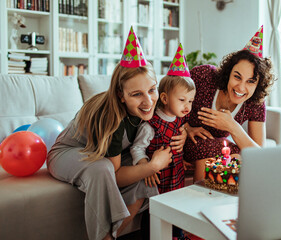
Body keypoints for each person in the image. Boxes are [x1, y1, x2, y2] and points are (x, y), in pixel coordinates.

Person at [46, 27, 186, 240]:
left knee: (144, 179)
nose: (148, 101)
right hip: (68, 152)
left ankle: (112, 235)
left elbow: (176, 113)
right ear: (121, 95)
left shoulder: (150, 106)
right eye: (136, 94)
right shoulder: (110, 117)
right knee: (103, 169)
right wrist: (153, 165)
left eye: (152, 90)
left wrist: (187, 130)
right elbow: (114, 176)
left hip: (103, 154)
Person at [183, 26, 275, 182]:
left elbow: (259, 154)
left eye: (250, 81)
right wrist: (186, 127)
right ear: (228, 72)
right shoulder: (204, 76)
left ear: (258, 85)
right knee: (224, 149)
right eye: (237, 77)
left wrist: (231, 126)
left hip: (211, 151)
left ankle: (217, 200)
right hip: (183, 140)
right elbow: (168, 100)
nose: (241, 87)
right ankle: (199, 199)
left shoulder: (255, 102)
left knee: (234, 154)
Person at [130, 43, 195, 240]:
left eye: (190, 101)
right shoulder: (151, 124)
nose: (187, 106)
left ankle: (178, 235)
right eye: (182, 100)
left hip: (176, 176)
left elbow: (184, 128)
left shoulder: (180, 118)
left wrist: (188, 131)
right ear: (165, 98)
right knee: (154, 215)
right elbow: (137, 148)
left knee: (176, 209)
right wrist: (145, 165)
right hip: (157, 179)